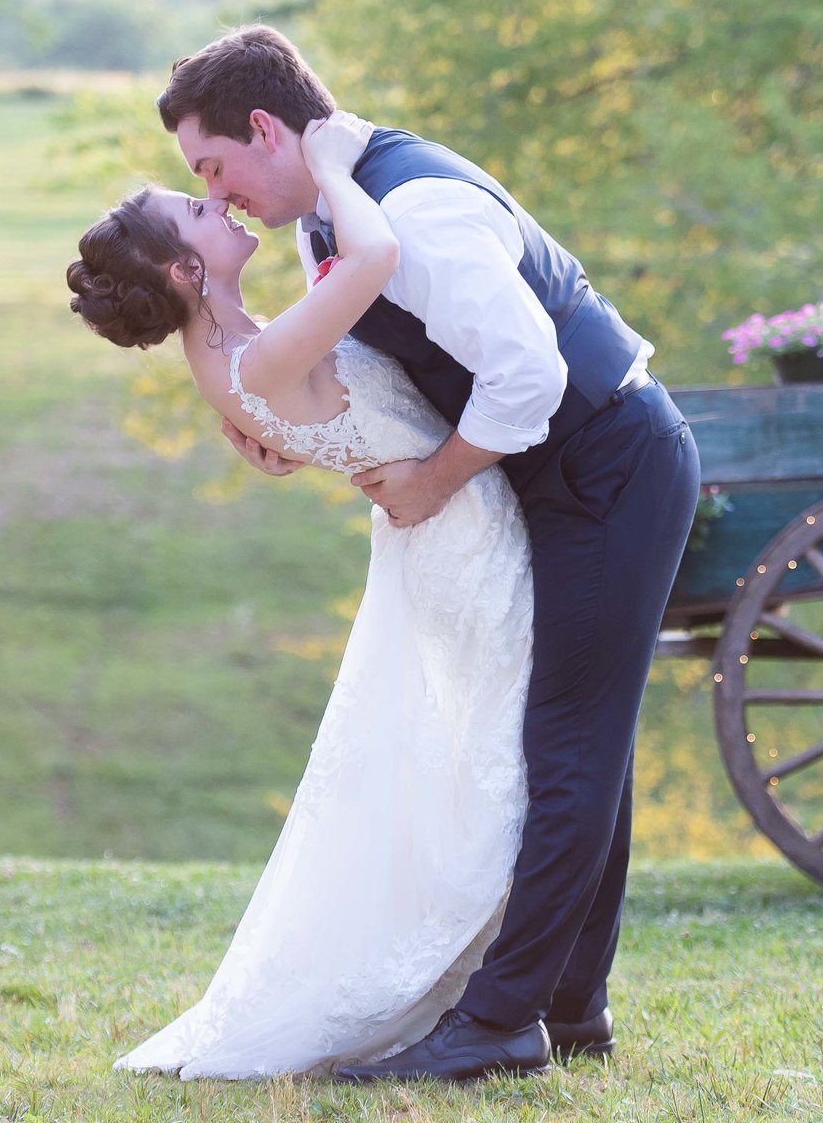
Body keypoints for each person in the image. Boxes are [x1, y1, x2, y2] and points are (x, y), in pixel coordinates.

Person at [160, 25, 700, 1082]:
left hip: (611, 464)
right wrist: (289, 423)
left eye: (214, 167)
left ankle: (500, 1022)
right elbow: (388, 356)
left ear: (266, 128)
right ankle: (567, 1004)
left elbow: (529, 379)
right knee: (585, 743)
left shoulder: (414, 206)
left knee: (568, 743)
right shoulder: (339, 207)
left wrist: (431, 481)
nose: (217, 197)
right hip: (556, 473)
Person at [69, 111, 534, 1078]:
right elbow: (375, 252)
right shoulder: (260, 358)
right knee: (499, 761)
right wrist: (327, 162)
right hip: (463, 542)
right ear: (182, 274)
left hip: (437, 538)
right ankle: (495, 990)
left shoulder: (236, 352)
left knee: (475, 759)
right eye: (195, 205)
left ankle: (505, 983)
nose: (219, 200)